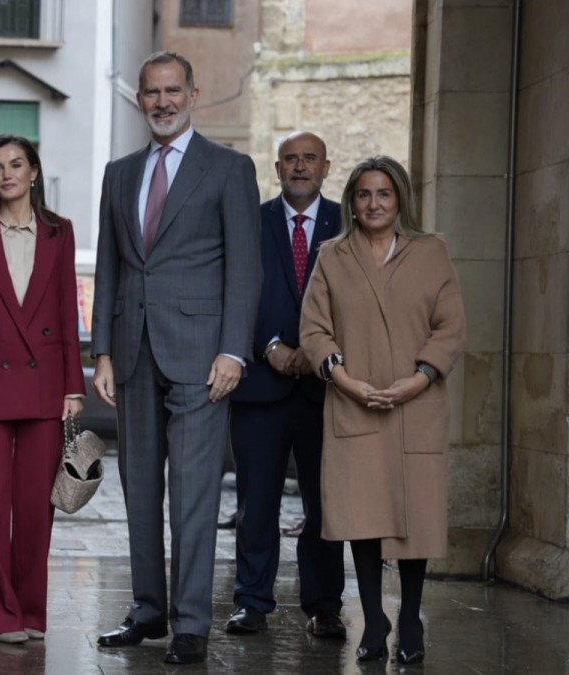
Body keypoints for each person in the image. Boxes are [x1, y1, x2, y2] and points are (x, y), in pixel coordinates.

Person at [91, 51, 261, 665]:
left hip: (202, 358)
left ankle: (191, 622)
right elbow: (110, 265)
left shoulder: (228, 168)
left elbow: (246, 267)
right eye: (150, 92)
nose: (161, 101)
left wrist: (234, 350)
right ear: (139, 99)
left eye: (172, 90)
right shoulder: (119, 172)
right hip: (132, 353)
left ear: (193, 94)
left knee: (193, 494)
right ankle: (148, 609)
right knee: (139, 488)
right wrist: (102, 350)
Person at [300, 155, 465, 665]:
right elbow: (314, 329)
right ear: (352, 200)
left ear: (400, 201)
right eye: (364, 194)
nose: (374, 203)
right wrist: (346, 381)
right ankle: (374, 619)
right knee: (363, 518)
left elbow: (451, 327)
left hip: (416, 407)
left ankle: (410, 615)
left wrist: (417, 380)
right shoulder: (332, 255)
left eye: (384, 194)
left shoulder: (431, 253)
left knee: (413, 519)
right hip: (355, 406)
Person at [0, 134, 85, 644]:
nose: (6, 174)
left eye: (16, 164)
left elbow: (68, 311)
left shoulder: (59, 232)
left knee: (33, 509)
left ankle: (29, 612)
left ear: (34, 172)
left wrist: (74, 386)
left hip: (46, 385)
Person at [225, 131, 347, 639]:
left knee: (327, 504)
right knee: (257, 502)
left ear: (325, 167)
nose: (300, 167)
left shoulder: (350, 222)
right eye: (291, 160)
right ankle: (252, 602)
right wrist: (269, 345)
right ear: (276, 169)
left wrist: (317, 352)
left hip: (328, 389)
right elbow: (234, 288)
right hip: (260, 384)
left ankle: (324, 607)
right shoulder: (252, 222)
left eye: (309, 159)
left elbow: (361, 301)